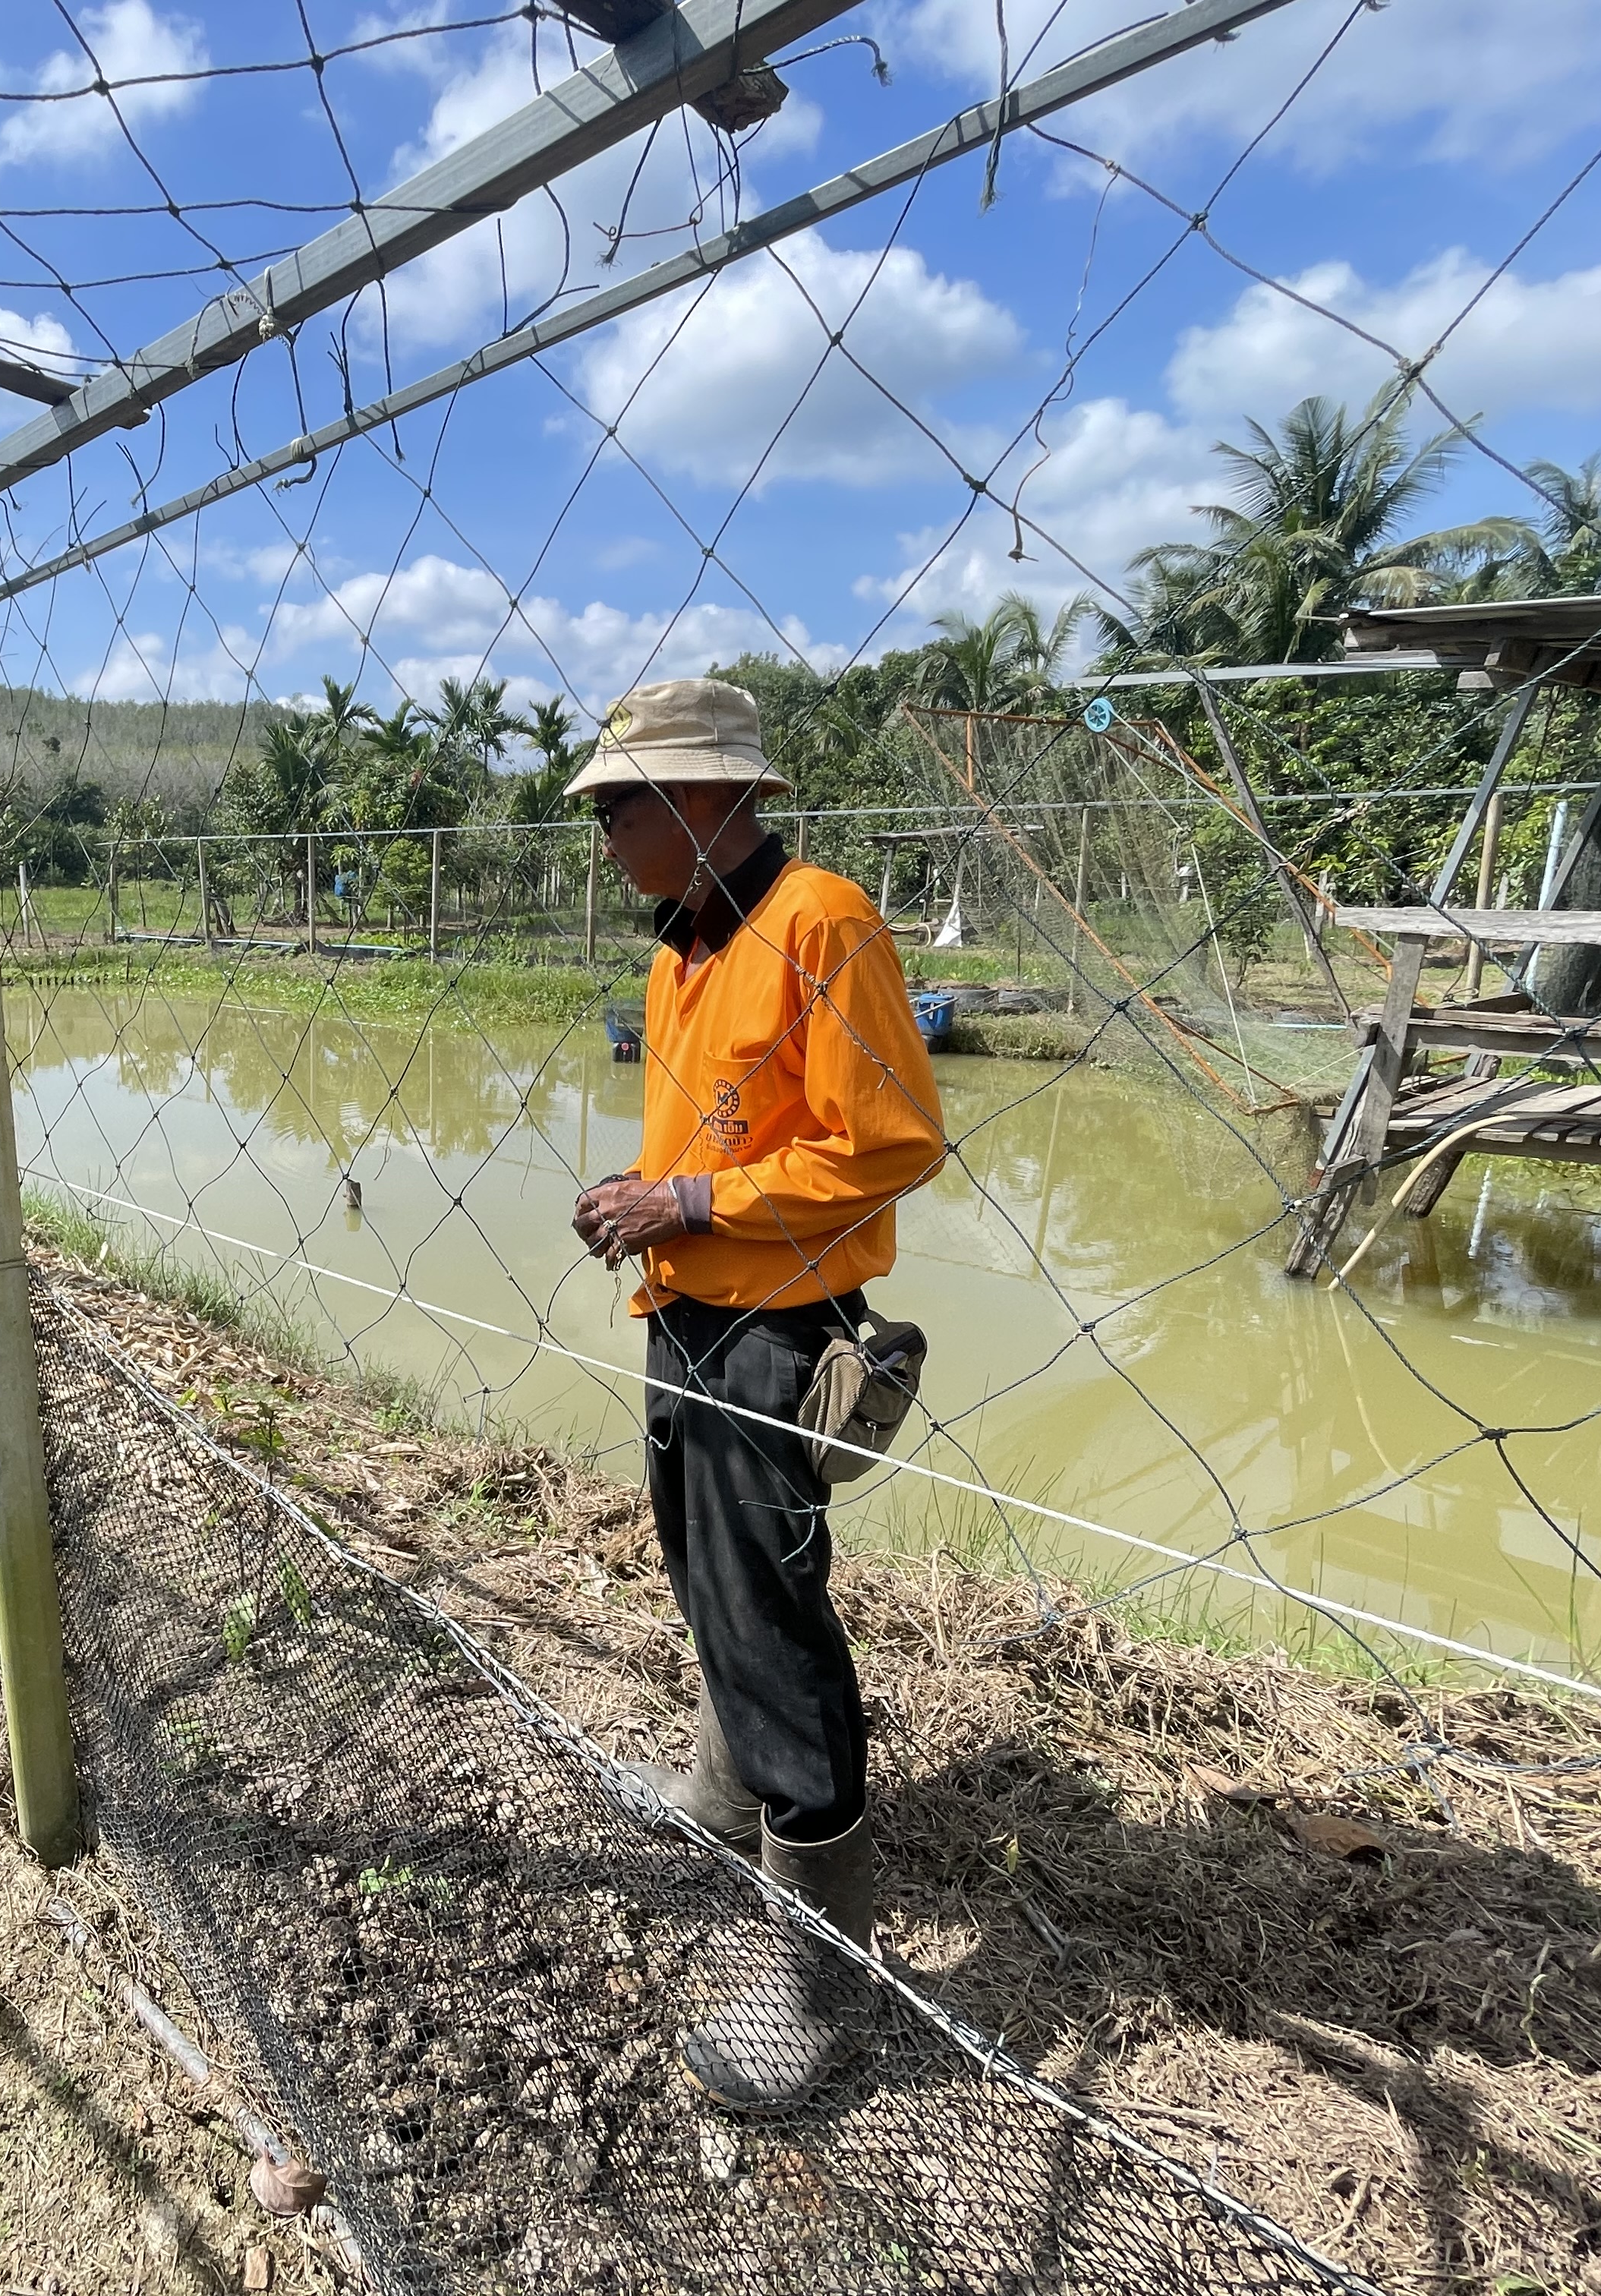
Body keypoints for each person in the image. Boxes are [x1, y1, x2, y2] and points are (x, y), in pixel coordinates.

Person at [565, 676, 945, 2112]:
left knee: (776, 1627)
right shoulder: (683, 953)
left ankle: (813, 1964)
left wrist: (695, 1194)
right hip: (686, 1315)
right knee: (709, 1583)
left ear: (710, 801)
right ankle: (727, 1797)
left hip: (782, 1334)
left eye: (622, 805)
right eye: (605, 807)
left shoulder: (821, 924)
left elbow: (894, 1141)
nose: (608, 833)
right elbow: (707, 1138)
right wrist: (645, 1205)